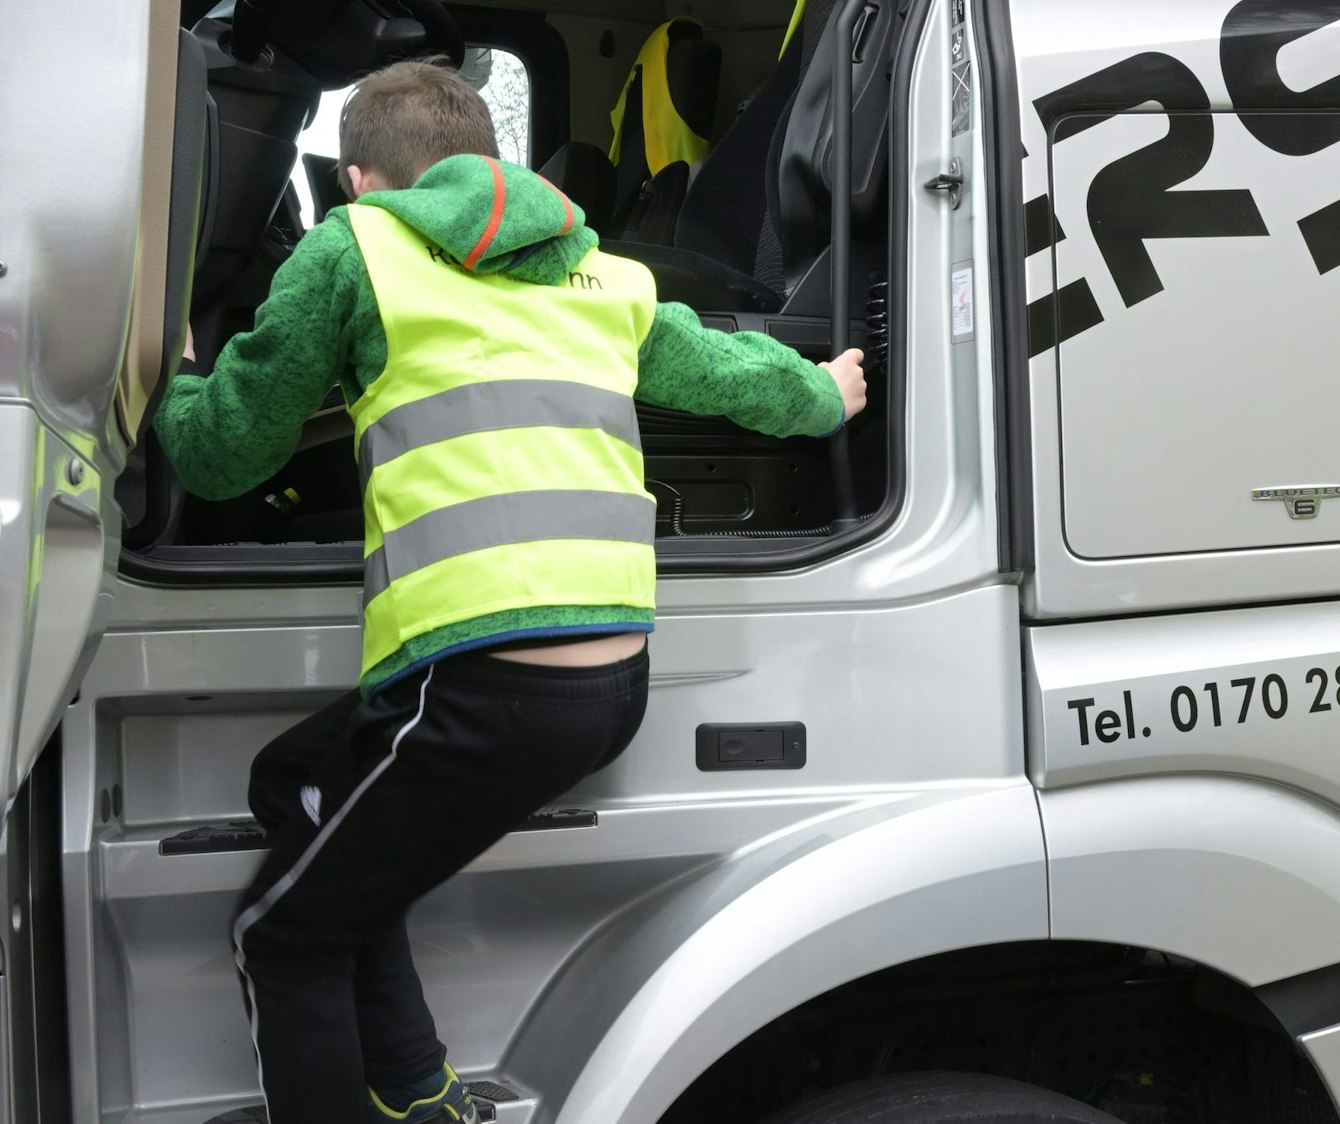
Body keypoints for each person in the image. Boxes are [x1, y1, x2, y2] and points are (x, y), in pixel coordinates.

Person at [156, 59, 866, 1124]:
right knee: (300, 787)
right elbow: (730, 375)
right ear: (495, 159)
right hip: (608, 684)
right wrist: (825, 390)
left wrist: (169, 375)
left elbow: (219, 456)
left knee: (284, 935)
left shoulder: (356, 250)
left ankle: (393, 1092)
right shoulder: (606, 274)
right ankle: (417, 1088)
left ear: (361, 180)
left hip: (473, 688)